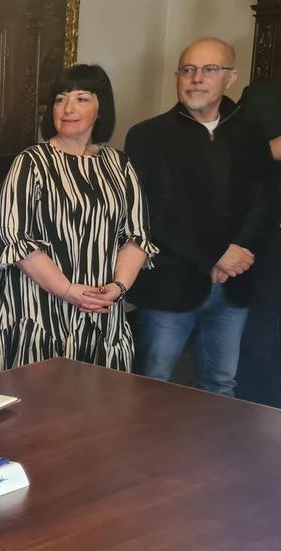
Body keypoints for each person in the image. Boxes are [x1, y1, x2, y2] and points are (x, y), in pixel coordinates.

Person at [125, 38, 278, 396]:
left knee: (221, 385)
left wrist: (239, 250)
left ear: (230, 77)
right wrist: (217, 254)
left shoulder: (250, 131)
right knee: (151, 385)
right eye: (188, 70)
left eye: (210, 70)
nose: (197, 79)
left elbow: (266, 198)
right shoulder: (148, 135)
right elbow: (154, 211)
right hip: (172, 285)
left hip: (233, 285)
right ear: (178, 77)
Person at [0, 64, 155, 372]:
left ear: (100, 107)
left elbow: (137, 236)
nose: (68, 108)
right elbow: (15, 240)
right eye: (60, 99)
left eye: (82, 99)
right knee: (37, 410)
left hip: (102, 313)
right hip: (38, 313)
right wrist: (67, 290)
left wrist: (117, 287)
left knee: (102, 409)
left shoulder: (119, 164)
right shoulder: (30, 163)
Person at [235, 79, 281, 406]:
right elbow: (234, 156)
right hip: (270, 235)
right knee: (260, 324)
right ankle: (251, 407)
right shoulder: (263, 95)